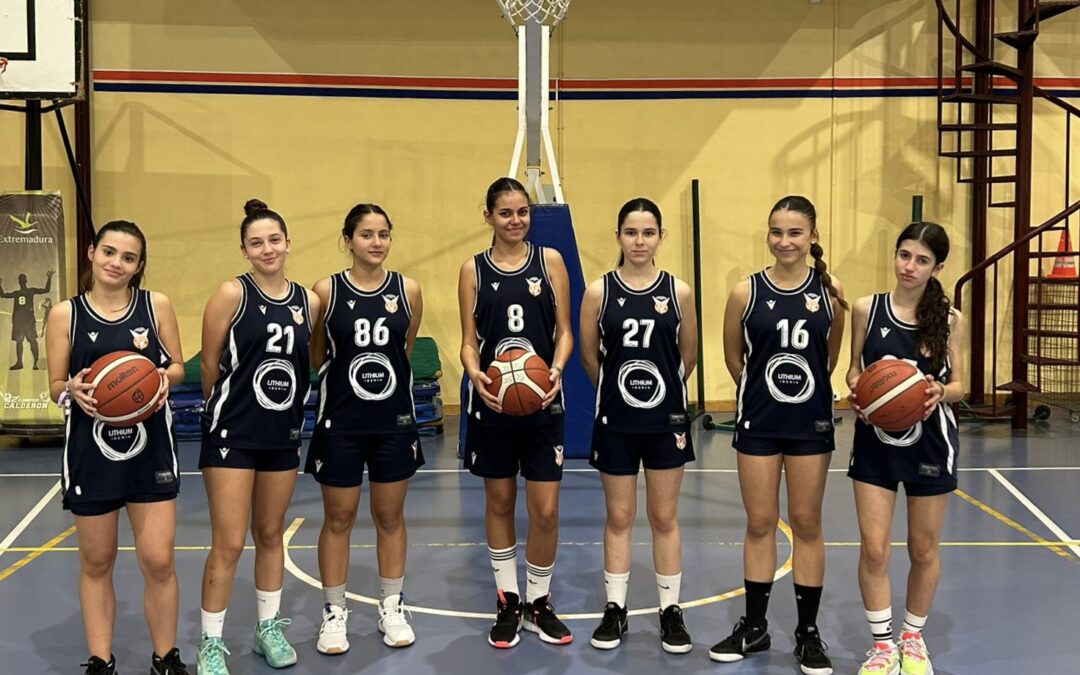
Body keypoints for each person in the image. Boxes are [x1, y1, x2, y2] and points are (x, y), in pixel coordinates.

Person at [44, 220, 188, 675]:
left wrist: (164, 377)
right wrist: (72, 389)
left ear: (139, 266)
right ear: (91, 253)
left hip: (151, 450)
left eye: (128, 257)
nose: (116, 263)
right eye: (109, 252)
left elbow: (179, 366)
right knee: (97, 560)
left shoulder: (155, 305)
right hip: (92, 452)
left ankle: (166, 659)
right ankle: (100, 661)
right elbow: (54, 388)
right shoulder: (65, 314)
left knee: (159, 560)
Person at [712, 196, 846, 675]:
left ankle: (807, 633)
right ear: (768, 236)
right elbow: (734, 358)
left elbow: (827, 363)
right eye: (776, 232)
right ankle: (755, 625)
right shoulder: (744, 292)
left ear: (812, 236)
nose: (785, 241)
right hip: (760, 423)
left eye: (794, 232)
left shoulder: (831, 295)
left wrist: (801, 396)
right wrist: (762, 395)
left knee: (807, 524)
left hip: (809, 424)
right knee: (760, 522)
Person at [196, 199, 318, 674]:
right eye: (256, 242)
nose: (266, 249)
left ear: (288, 243)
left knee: (270, 534)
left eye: (274, 240)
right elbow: (209, 365)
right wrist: (223, 411)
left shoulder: (309, 301)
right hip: (233, 432)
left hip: (281, 432)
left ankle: (268, 629)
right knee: (228, 541)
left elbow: (307, 362)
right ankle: (211, 642)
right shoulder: (231, 294)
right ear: (243, 249)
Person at [458, 177, 574, 648]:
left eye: (522, 211)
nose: (515, 220)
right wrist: (474, 374)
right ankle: (508, 600)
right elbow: (469, 341)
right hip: (493, 404)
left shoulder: (551, 262)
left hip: (543, 403)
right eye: (505, 213)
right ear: (487, 216)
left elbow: (564, 331)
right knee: (500, 502)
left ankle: (539, 602)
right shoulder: (472, 269)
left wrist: (557, 370)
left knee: (544, 510)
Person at [579, 198, 697, 653]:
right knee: (619, 516)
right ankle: (616, 609)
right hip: (616, 418)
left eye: (648, 233)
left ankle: (670, 611)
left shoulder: (679, 291)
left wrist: (662, 393)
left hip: (665, 418)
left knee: (664, 516)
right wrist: (620, 393)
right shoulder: (598, 292)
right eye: (631, 232)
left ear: (660, 237)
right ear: (618, 237)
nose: (640, 241)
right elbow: (591, 358)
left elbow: (687, 355)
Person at [305, 203, 425, 653]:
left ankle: (391, 606)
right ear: (348, 240)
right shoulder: (326, 291)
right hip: (341, 421)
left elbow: (405, 349)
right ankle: (334, 612)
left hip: (392, 420)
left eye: (384, 234)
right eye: (367, 234)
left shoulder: (408, 289)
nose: (376, 242)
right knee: (338, 518)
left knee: (390, 516)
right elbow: (317, 356)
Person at [847, 222, 962, 675]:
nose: (909, 266)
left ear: (937, 267)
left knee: (922, 548)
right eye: (903, 255)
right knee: (874, 548)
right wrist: (860, 392)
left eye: (921, 260)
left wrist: (939, 392)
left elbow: (961, 384)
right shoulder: (866, 308)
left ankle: (912, 639)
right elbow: (854, 371)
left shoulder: (949, 318)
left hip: (930, 442)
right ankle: (881, 646)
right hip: (874, 440)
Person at [2, 269, 54, 368]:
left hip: (22, 321)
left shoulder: (17, 293)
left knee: (22, 341)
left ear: (20, 282)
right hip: (26, 320)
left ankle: (24, 363)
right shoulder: (30, 291)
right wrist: (49, 278)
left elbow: (3, 295)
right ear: (26, 281)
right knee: (28, 341)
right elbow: (46, 290)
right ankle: (31, 363)